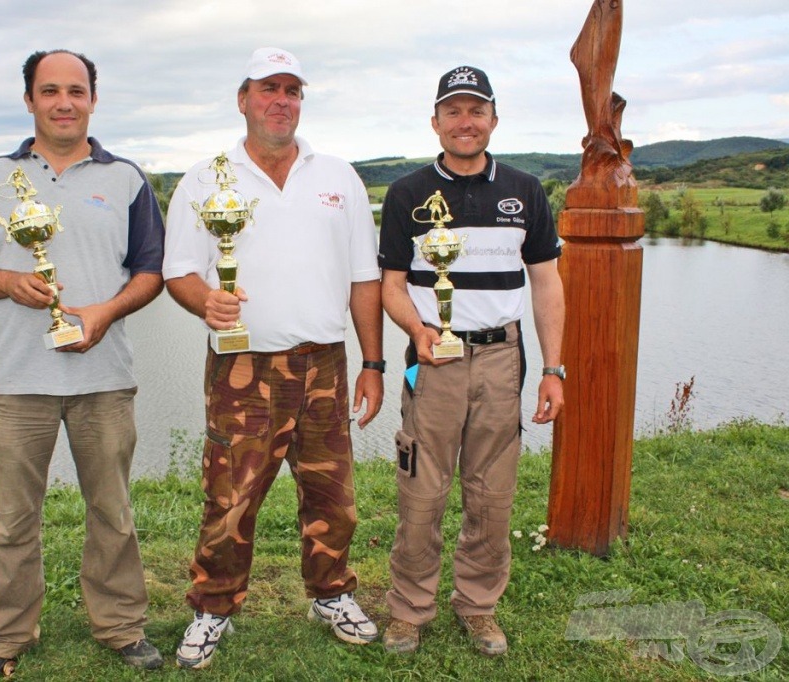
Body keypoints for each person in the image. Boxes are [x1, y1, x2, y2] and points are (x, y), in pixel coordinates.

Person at [0, 49, 165, 680]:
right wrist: (7, 284)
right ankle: (5, 638)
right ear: (30, 101)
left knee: (113, 512)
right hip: (14, 381)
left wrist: (103, 312)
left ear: (94, 98)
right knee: (14, 519)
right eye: (50, 91)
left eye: (76, 90)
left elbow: (150, 272)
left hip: (104, 377)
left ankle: (120, 626)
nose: (63, 102)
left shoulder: (126, 178)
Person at [163, 46, 385, 669]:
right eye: (268, 88)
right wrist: (206, 300)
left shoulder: (338, 176)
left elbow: (364, 278)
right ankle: (213, 607)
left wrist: (374, 362)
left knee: (332, 493)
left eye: (292, 89)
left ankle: (331, 593)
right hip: (244, 366)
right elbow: (178, 270)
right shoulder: (206, 179)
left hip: (326, 362)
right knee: (230, 496)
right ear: (243, 99)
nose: (281, 100)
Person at [377, 65, 565, 657]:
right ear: (435, 121)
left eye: (476, 110)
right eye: (453, 111)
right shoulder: (407, 194)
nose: (465, 121)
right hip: (432, 361)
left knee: (492, 492)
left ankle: (478, 605)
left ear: (493, 120)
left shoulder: (526, 190)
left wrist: (554, 369)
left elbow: (547, 284)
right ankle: (410, 610)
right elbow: (390, 286)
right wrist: (419, 330)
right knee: (422, 492)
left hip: (502, 359)